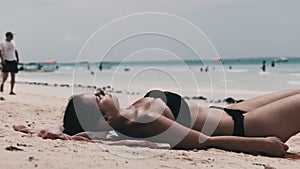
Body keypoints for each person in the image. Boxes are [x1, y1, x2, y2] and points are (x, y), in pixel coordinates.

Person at [51, 88, 300, 157]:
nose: (101, 91)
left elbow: (76, 131)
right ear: (106, 118)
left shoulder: (127, 116)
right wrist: (262, 144)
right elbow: (203, 142)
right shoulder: (143, 122)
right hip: (248, 126)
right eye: (97, 97)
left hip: (231, 110)